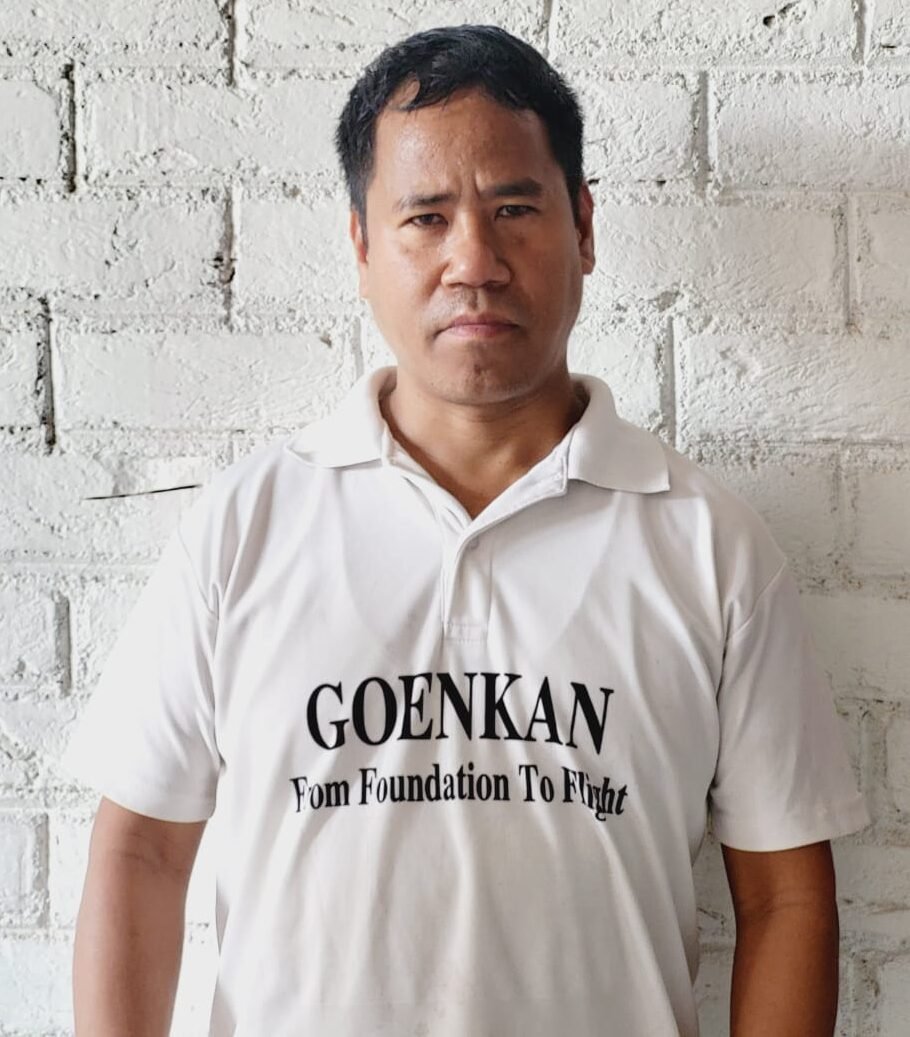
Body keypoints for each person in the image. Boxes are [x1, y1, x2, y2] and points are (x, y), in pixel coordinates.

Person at [62, 23, 869, 1037]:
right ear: (362, 246)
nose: (473, 262)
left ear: (583, 227)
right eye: (426, 217)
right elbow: (139, 850)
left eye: (514, 210)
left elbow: (786, 896)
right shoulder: (242, 529)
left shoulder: (710, 547)